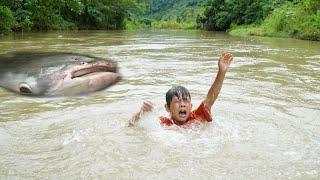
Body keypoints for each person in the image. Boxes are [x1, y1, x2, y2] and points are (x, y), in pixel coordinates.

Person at [129, 52, 233, 127]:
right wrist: (141, 113)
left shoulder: (197, 117)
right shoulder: (163, 123)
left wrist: (222, 72)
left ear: (191, 106)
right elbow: (131, 125)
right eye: (178, 101)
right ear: (167, 108)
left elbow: (211, 98)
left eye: (186, 101)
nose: (183, 104)